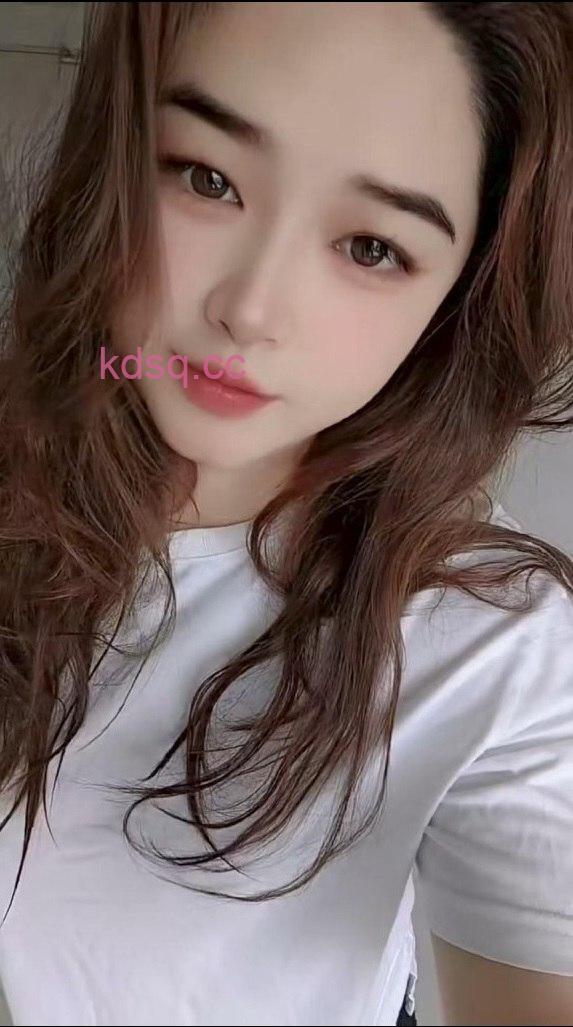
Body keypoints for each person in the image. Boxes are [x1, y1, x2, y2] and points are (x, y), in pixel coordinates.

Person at [0, 2, 572, 1024]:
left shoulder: (491, 644)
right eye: (206, 178)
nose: (251, 309)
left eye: (371, 246)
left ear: (450, 301)